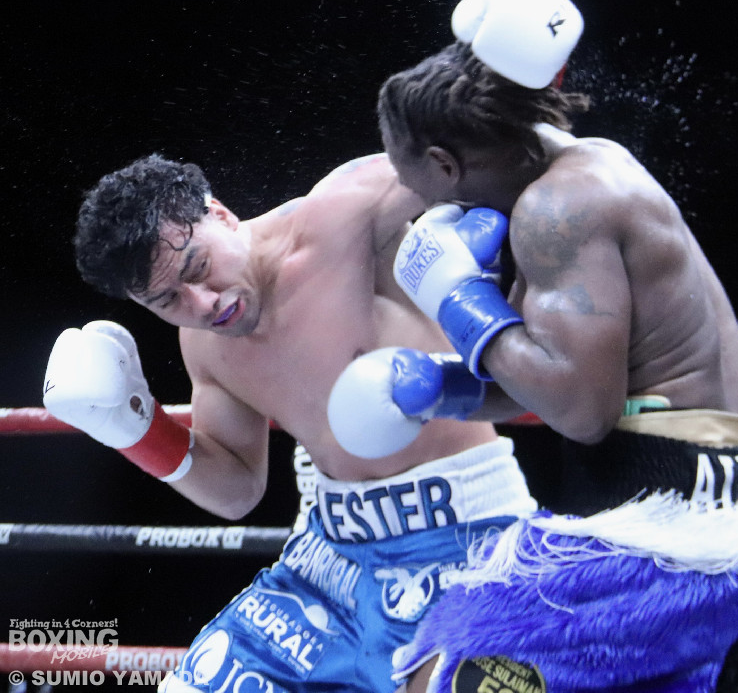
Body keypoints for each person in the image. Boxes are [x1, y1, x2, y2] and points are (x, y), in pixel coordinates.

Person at [330, 0, 738, 692]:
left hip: (695, 541)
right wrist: (439, 389)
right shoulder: (564, 175)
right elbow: (560, 375)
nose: (416, 204)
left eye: (413, 182)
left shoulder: (559, 207)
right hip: (692, 523)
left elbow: (581, 410)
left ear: (445, 164)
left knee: (444, 676)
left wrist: (457, 299)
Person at [42, 152, 539, 693]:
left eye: (198, 268)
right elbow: (237, 491)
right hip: (329, 556)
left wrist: (534, 281)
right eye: (168, 300)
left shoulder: (337, 220)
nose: (202, 304)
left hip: (467, 537)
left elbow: (475, 153)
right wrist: (136, 432)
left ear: (221, 214)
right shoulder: (205, 344)